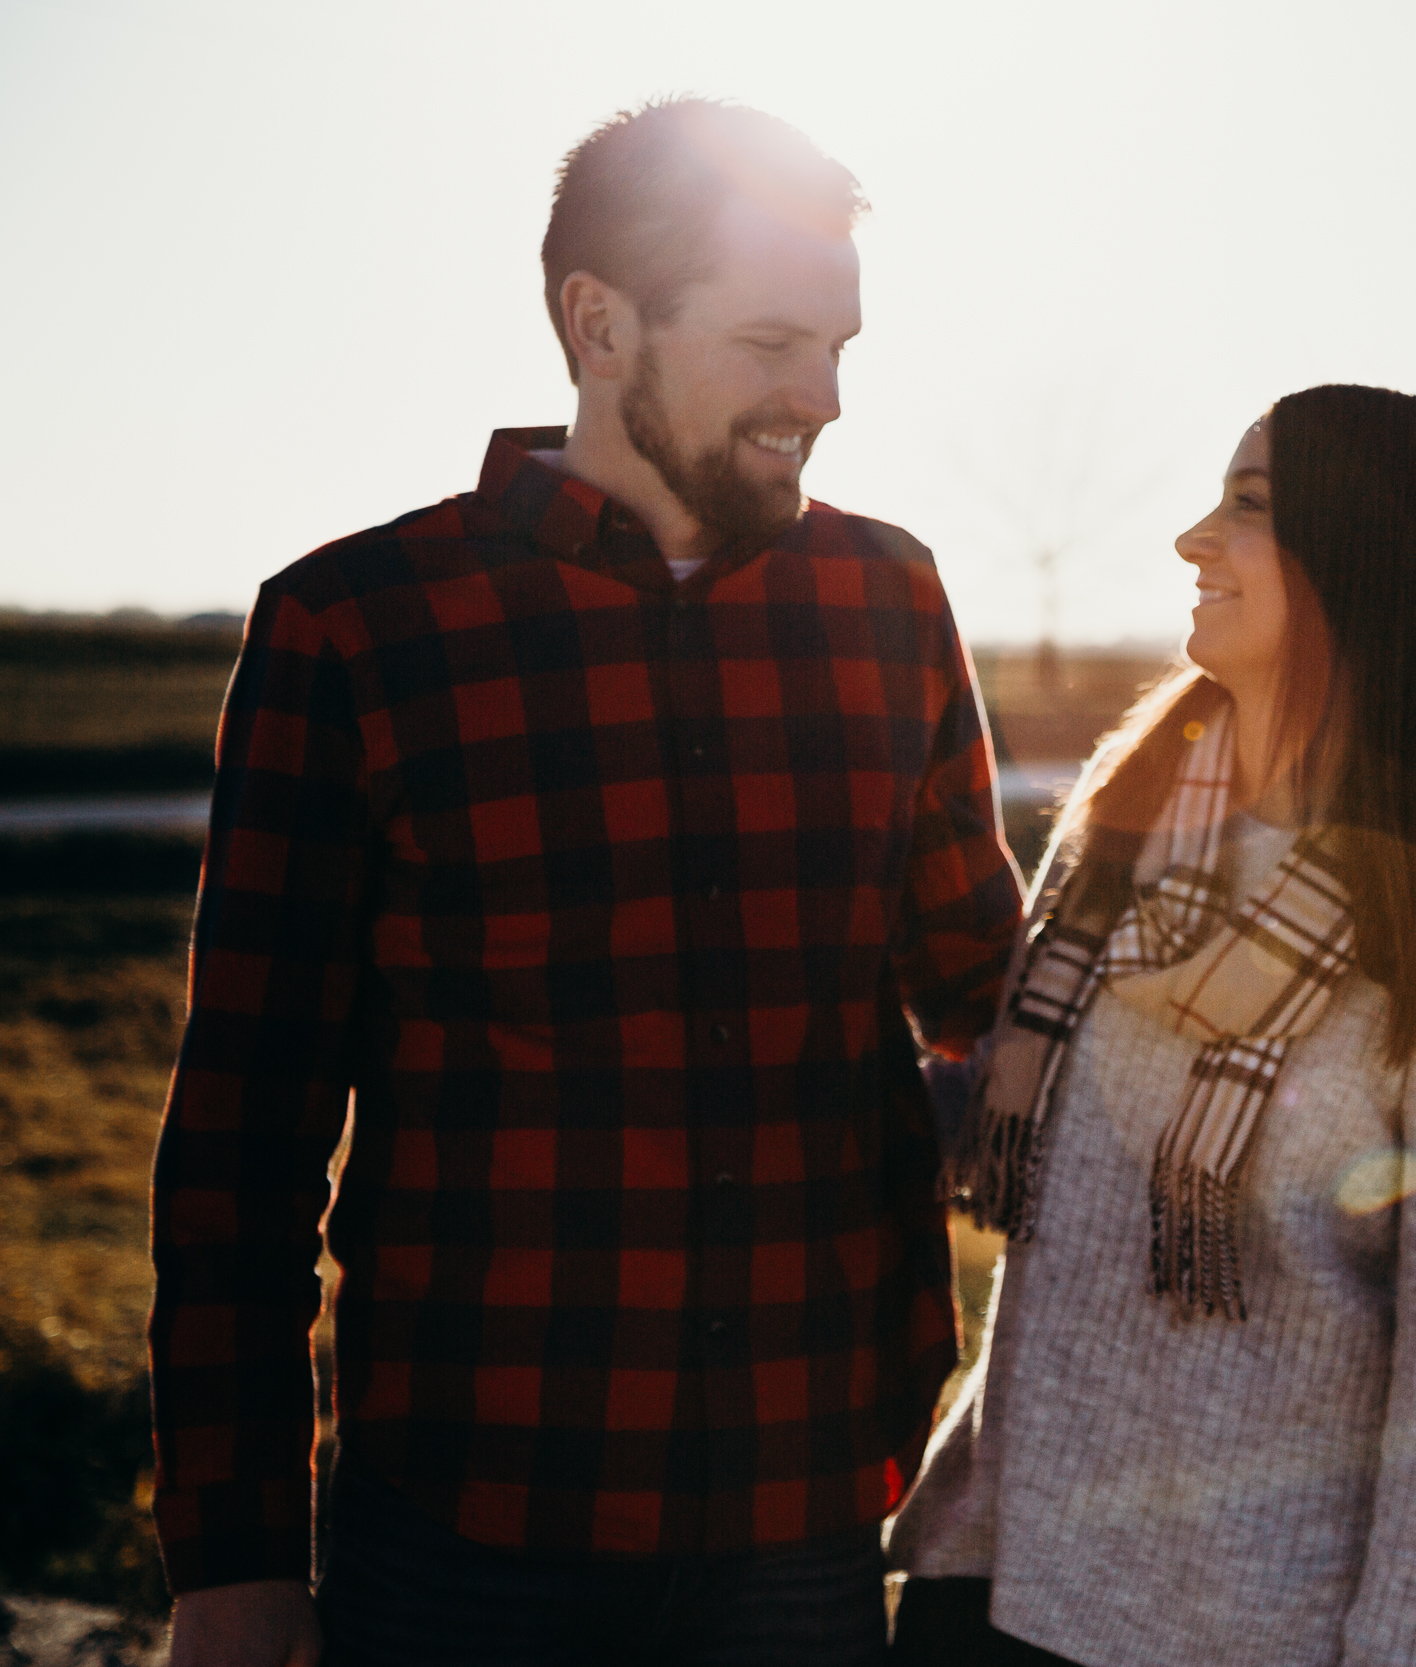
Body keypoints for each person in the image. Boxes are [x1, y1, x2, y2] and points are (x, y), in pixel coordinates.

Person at [148, 98, 1025, 1667]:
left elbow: (993, 995)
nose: (820, 398)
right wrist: (232, 1554)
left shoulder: (889, 597)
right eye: (772, 341)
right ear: (599, 321)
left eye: (840, 346)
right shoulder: (355, 628)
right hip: (468, 1532)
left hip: (812, 1521)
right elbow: (245, 1131)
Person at [887, 384, 1416, 1667]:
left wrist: (1395, 1650)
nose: (1193, 539)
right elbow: (1045, 1178)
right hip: (997, 1573)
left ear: (1365, 561)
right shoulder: (1122, 820)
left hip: (1239, 1628)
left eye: (1246, 506)